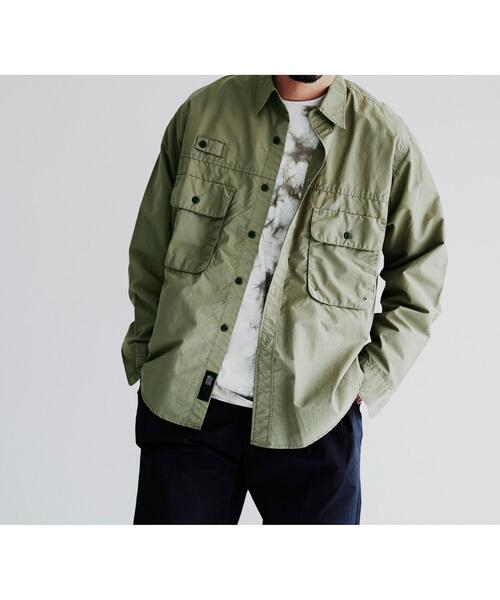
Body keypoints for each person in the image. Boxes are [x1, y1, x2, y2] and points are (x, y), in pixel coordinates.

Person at [122, 75, 447, 524]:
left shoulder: (385, 142)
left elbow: (421, 277)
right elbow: (151, 245)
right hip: (186, 410)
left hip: (314, 416)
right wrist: (147, 352)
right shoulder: (204, 112)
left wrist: (369, 381)